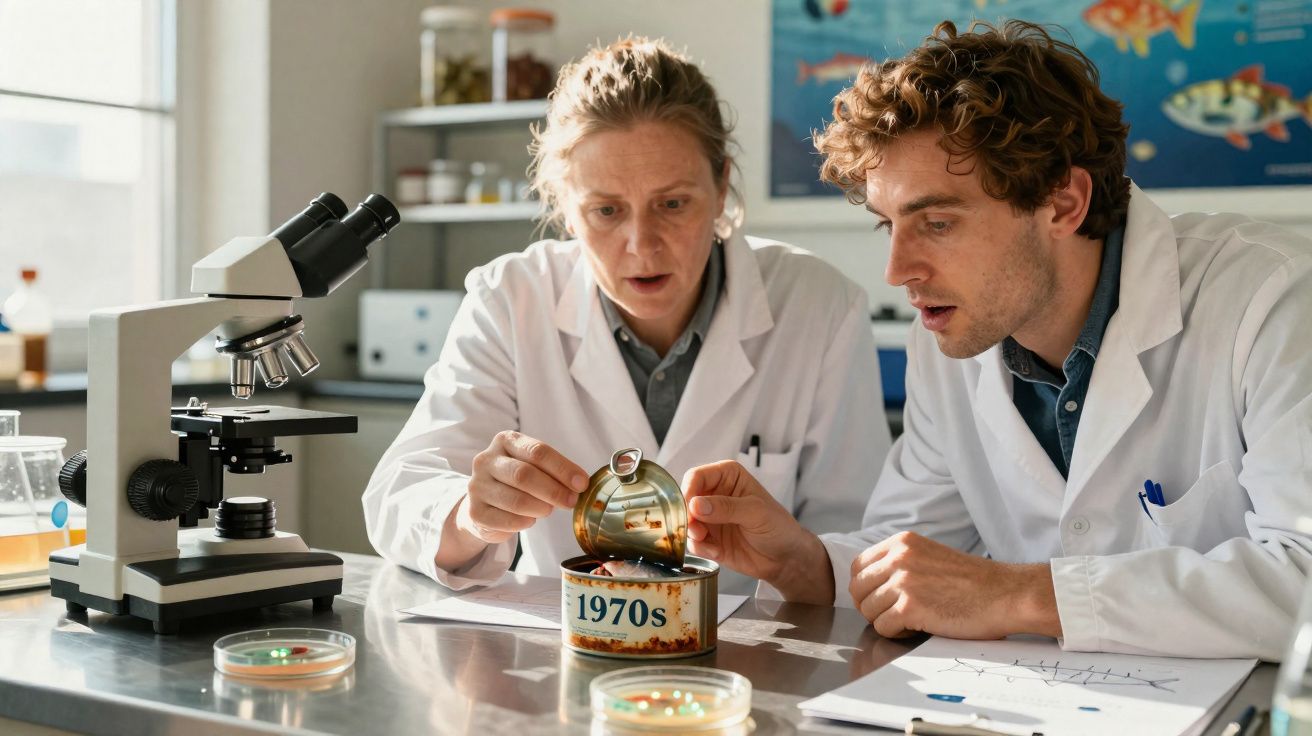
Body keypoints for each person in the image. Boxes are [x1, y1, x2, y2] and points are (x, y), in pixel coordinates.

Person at [682, 19, 1312, 660]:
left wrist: (1022, 595)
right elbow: (918, 556)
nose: (898, 271)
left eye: (937, 221)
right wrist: (803, 562)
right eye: (888, 226)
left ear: (1063, 203)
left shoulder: (1272, 300)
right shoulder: (952, 337)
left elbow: (1304, 575)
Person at [363, 37, 892, 595]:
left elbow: (864, 537)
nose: (641, 245)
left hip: (754, 663)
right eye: (607, 210)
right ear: (564, 206)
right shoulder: (510, 299)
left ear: (720, 187)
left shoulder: (820, 306)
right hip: (563, 649)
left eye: (672, 204)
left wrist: (799, 558)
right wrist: (472, 514)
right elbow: (398, 498)